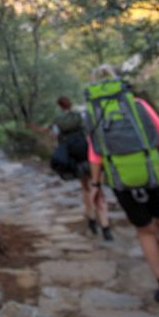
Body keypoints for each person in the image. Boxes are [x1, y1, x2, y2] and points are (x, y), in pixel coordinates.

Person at [85, 65, 159, 308]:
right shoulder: (137, 105)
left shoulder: (92, 113)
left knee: (146, 231)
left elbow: (95, 155)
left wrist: (96, 184)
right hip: (156, 172)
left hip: (122, 180)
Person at [52, 96, 112, 240]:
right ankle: (105, 226)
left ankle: (91, 218)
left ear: (59, 106)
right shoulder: (82, 115)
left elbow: (54, 136)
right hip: (90, 155)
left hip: (75, 158)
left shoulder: (58, 120)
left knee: (85, 188)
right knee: (97, 188)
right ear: (70, 103)